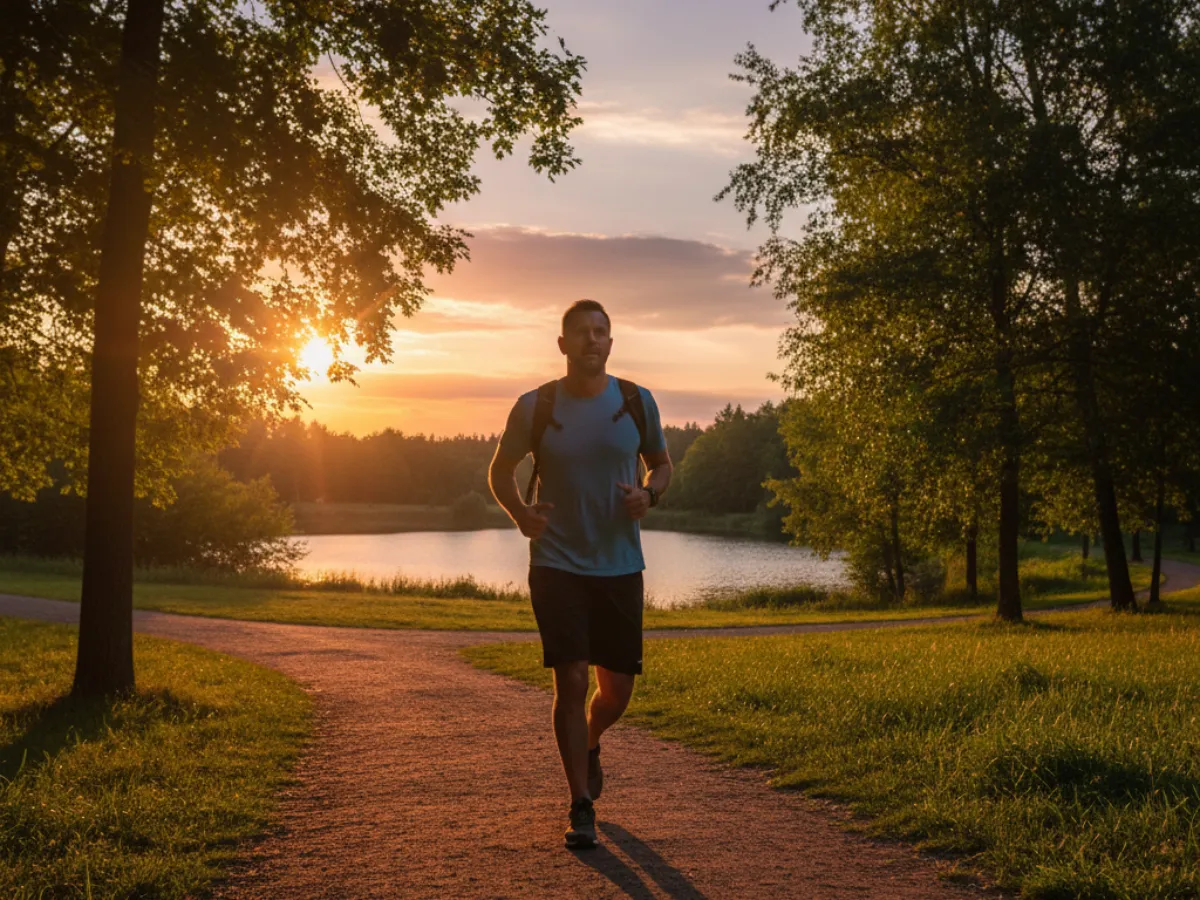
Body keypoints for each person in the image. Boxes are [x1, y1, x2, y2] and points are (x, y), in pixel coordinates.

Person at [488, 299, 672, 850]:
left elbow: (661, 465)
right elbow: (500, 471)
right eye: (582, 333)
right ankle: (580, 804)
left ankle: (591, 740)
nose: (593, 340)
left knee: (616, 692)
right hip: (556, 563)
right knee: (570, 678)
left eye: (602, 332)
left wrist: (649, 495)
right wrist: (521, 515)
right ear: (563, 344)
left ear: (610, 344)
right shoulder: (536, 406)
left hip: (620, 564)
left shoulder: (637, 402)